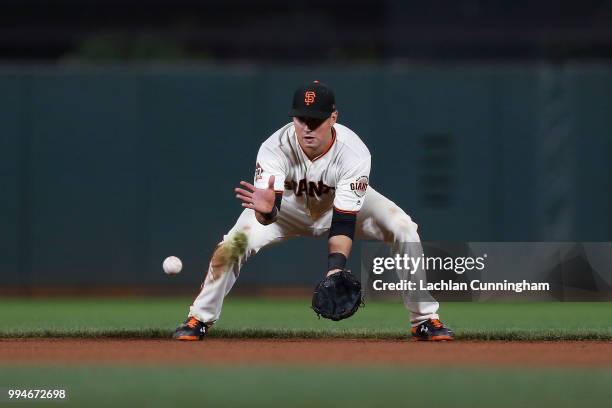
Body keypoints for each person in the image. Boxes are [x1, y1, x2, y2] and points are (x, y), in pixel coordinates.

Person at [173, 80, 454, 341]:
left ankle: (424, 319)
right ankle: (199, 318)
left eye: (316, 120)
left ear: (333, 118)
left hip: (339, 207)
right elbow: (267, 215)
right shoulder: (274, 148)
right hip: (287, 209)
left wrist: (335, 271)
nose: (307, 127)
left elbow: (344, 221)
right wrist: (267, 214)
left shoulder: (354, 152)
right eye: (300, 118)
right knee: (233, 245)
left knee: (403, 227)